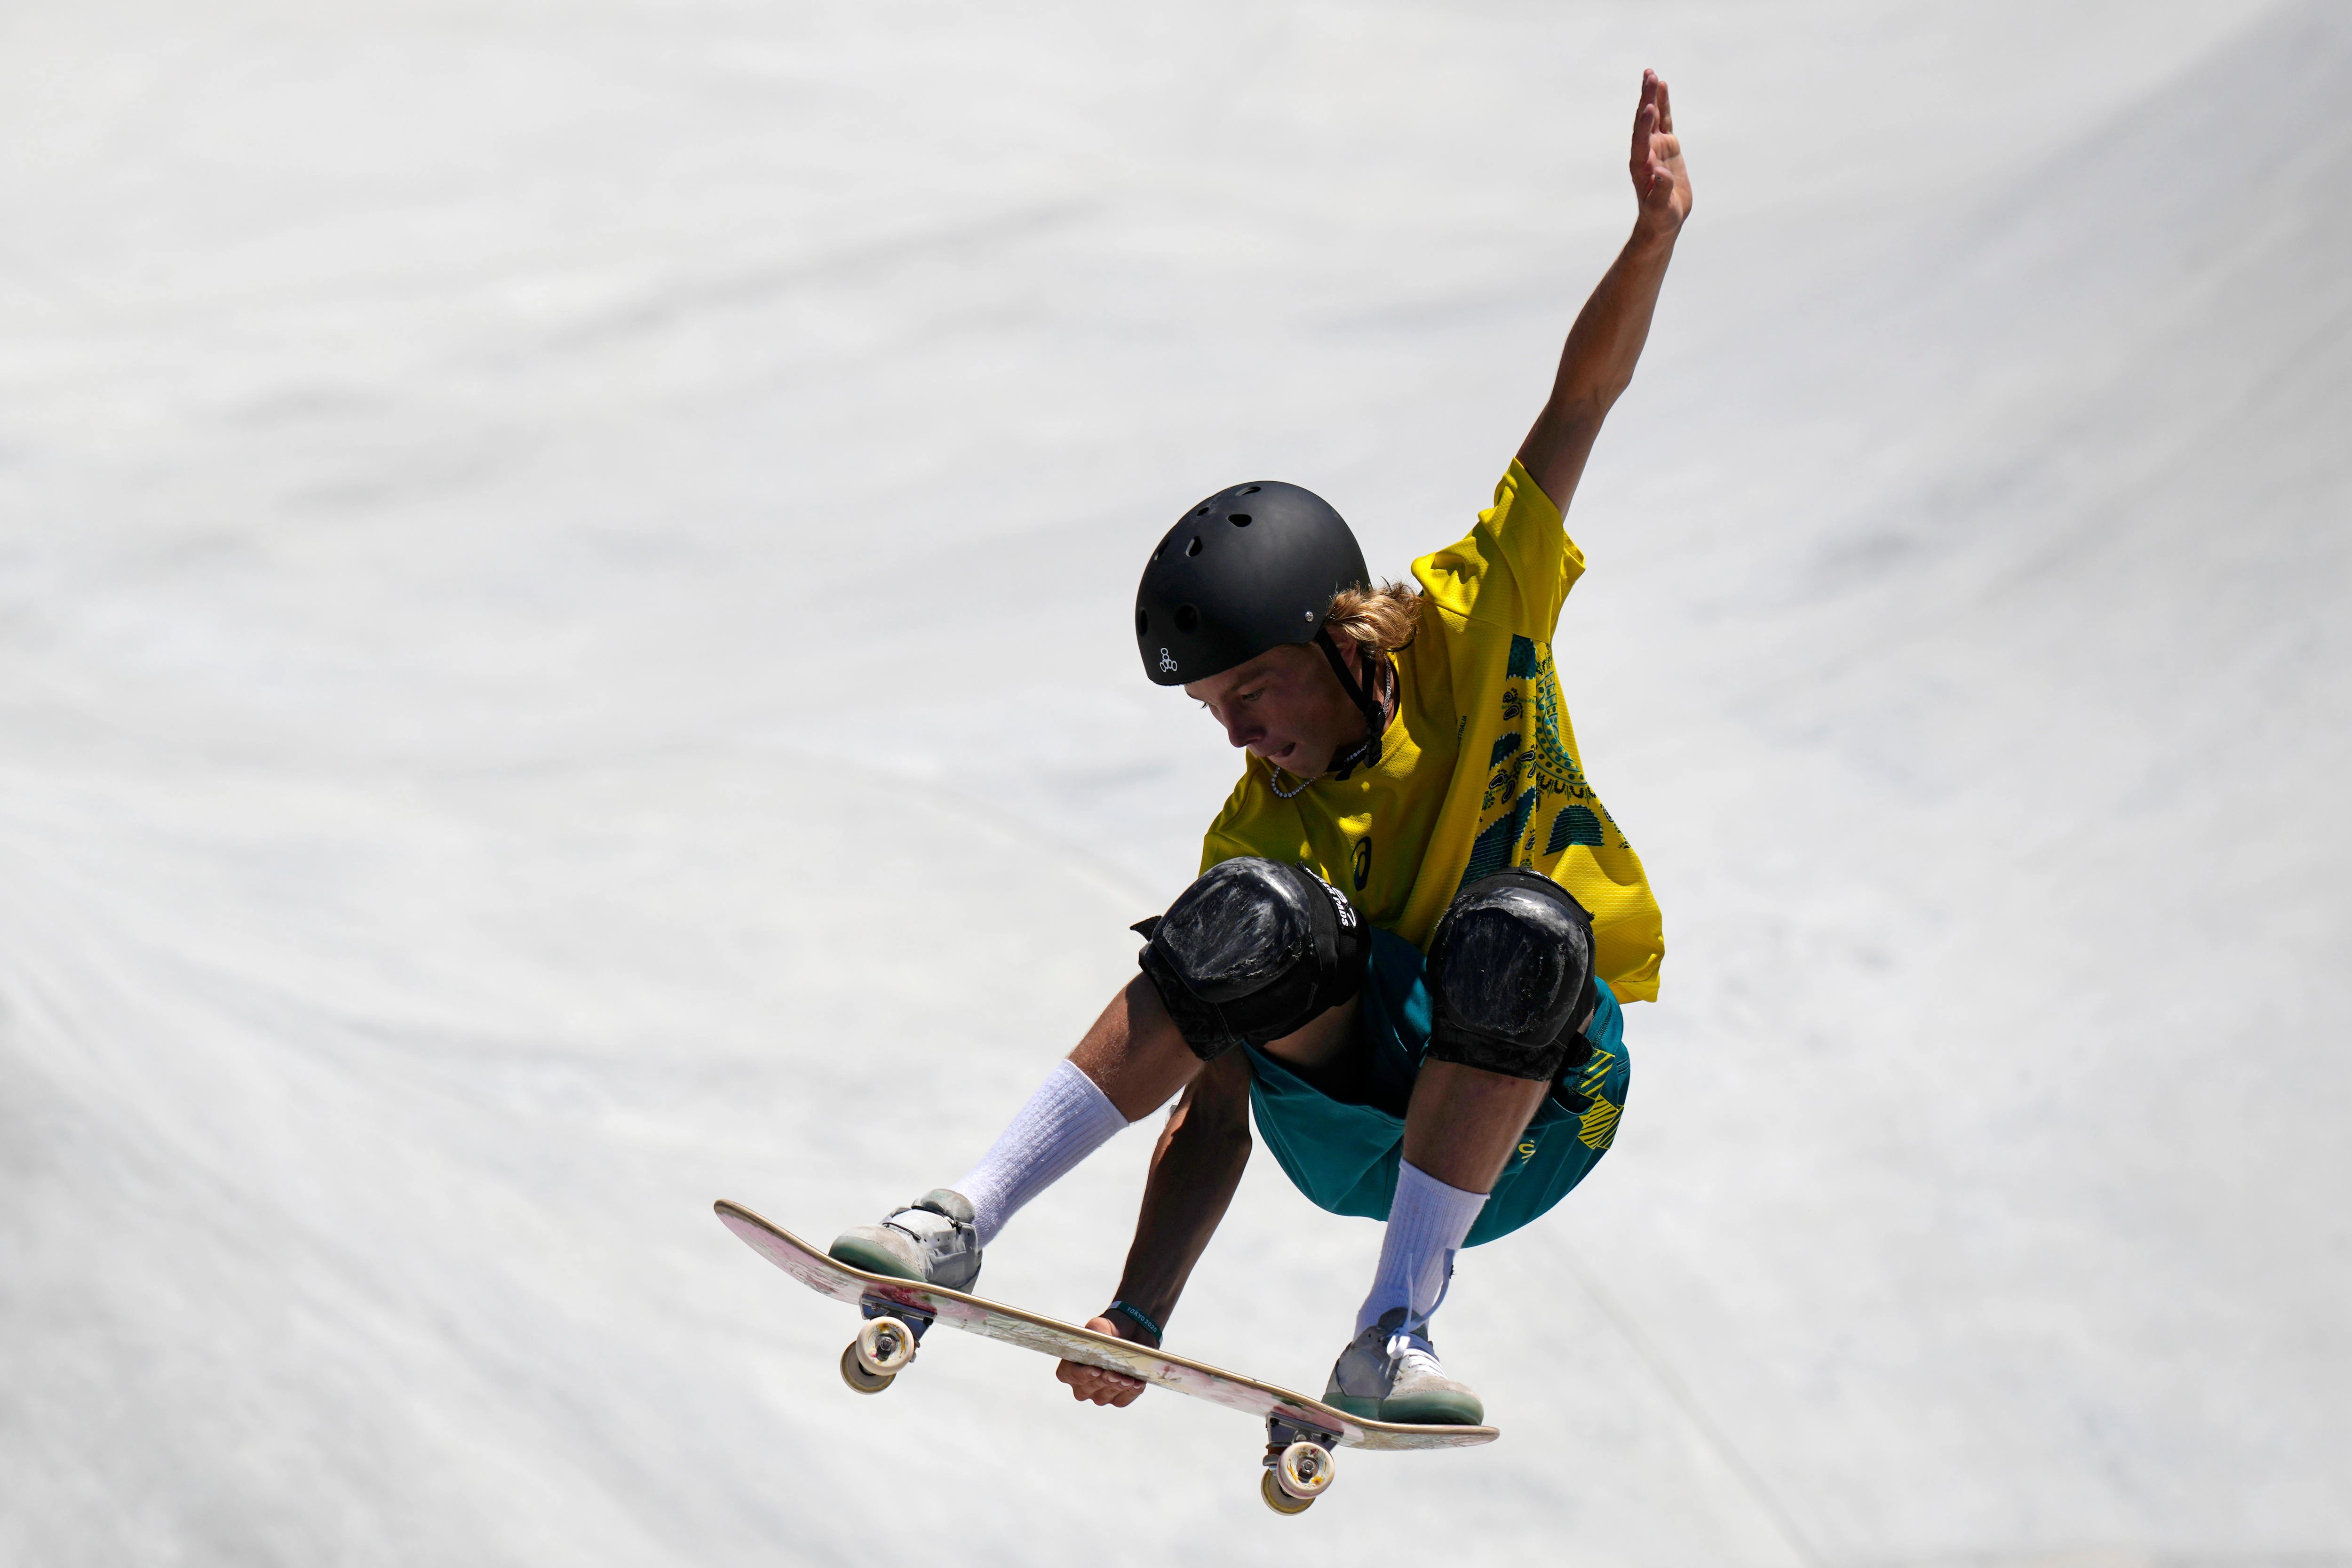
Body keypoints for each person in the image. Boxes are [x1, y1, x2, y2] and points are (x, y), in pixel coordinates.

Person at [830, 69, 1690, 1425]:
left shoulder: (1478, 613)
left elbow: (1581, 401)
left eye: (1256, 691)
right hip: (1349, 1122)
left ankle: (1395, 1330)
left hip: (1547, 1105)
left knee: (1516, 928)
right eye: (1210, 713)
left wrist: (1649, 239)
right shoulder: (1261, 827)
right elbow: (1216, 1110)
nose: (1239, 735)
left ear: (1348, 641)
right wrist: (1138, 1310)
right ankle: (959, 1212)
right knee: (1243, 920)